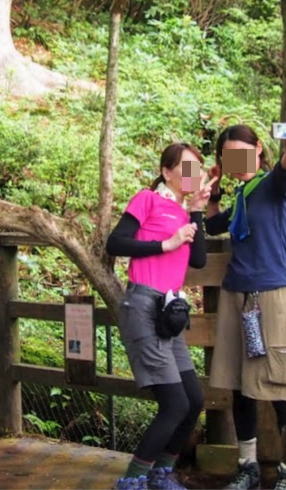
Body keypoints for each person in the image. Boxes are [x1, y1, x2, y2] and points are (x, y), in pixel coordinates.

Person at [106, 142, 217, 490]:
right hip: (142, 305)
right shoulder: (148, 199)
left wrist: (197, 210)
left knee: (194, 401)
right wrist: (164, 244)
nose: (192, 175)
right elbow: (116, 242)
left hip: (170, 312)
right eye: (185, 168)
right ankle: (132, 481)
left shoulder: (185, 214)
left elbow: (198, 260)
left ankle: (161, 473)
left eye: (196, 169)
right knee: (174, 404)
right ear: (167, 172)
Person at [203, 122, 286, 490]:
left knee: (280, 387)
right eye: (228, 156)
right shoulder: (243, 193)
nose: (235, 161)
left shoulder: (276, 186)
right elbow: (213, 224)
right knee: (238, 385)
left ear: (258, 149)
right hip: (236, 295)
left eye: (240, 153)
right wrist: (212, 190)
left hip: (272, 295)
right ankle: (246, 465)